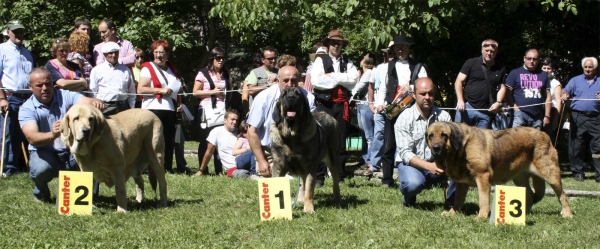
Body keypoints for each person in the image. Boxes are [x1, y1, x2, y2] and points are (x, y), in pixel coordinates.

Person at [18, 68, 105, 202]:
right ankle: (41, 193)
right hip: (44, 151)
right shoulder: (26, 109)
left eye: (48, 84)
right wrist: (53, 134)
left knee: (92, 155)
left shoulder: (65, 95)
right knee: (40, 169)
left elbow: (84, 100)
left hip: (71, 150)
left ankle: (90, 196)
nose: (45, 88)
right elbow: (32, 137)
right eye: (39, 85)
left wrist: (94, 102)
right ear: (30, 87)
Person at [374, 34, 427, 188]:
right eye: (397, 48)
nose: (400, 51)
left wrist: (410, 88)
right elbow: (383, 88)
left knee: (414, 143)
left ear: (409, 49)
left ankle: (418, 175)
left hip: (411, 110)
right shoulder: (387, 67)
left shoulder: (419, 67)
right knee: (389, 144)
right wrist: (379, 104)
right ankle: (387, 179)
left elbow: (425, 84)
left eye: (403, 48)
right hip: (393, 109)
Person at [395, 77, 454, 207]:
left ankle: (452, 203)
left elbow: (451, 147)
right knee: (413, 184)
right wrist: (430, 167)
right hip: (411, 165)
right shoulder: (404, 118)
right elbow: (405, 153)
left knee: (458, 166)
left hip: (438, 163)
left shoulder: (444, 117)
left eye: (431, 93)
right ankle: (409, 198)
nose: (427, 97)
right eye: (423, 94)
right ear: (414, 95)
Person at [247, 66, 315, 177]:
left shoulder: (309, 98)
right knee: (273, 184)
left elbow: (312, 129)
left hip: (300, 152)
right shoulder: (263, 97)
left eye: (293, 80)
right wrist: (261, 161)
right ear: (278, 81)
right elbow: (251, 132)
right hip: (271, 152)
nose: (290, 84)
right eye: (285, 80)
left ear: (299, 81)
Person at [310, 29, 359, 185]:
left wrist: (333, 77)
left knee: (341, 140)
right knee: (321, 139)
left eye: (339, 43)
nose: (336, 46)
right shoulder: (320, 61)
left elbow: (353, 81)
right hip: (325, 104)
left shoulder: (348, 62)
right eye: (333, 43)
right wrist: (342, 79)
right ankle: (319, 177)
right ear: (328, 44)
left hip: (342, 105)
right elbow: (317, 82)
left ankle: (339, 175)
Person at [137, 39, 190, 174]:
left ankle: (166, 167)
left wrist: (178, 95)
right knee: (152, 140)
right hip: (152, 108)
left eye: (161, 52)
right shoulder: (147, 67)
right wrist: (160, 91)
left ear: (167, 54)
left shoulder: (171, 68)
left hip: (169, 108)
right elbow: (141, 89)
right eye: (156, 52)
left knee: (168, 139)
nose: (158, 55)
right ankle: (148, 168)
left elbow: (173, 88)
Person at [0, 20, 34, 177]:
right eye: (15, 31)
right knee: (7, 133)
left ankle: (17, 166)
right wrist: (1, 98)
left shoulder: (27, 53)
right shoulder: (2, 50)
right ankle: (6, 168)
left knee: (22, 133)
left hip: (27, 97)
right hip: (10, 96)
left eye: (21, 30)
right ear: (8, 32)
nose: (19, 33)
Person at [193, 47, 231, 176]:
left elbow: (229, 92)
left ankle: (219, 170)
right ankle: (203, 170)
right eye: (218, 58)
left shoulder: (225, 74)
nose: (221, 61)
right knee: (205, 140)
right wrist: (212, 92)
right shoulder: (203, 73)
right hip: (206, 111)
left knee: (219, 140)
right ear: (212, 59)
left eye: (223, 58)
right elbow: (195, 92)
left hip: (221, 111)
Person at [561, 57, 600, 182]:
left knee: (597, 147)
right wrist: (564, 95)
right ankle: (578, 172)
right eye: (586, 67)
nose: (588, 69)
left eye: (590, 67)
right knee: (576, 146)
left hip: (596, 118)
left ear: (595, 68)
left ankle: (598, 174)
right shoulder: (575, 80)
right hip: (577, 117)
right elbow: (565, 91)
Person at [454, 39, 507, 129]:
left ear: (496, 52)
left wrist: (498, 102)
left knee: (481, 142)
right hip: (467, 108)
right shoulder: (471, 63)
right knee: (459, 138)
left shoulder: (500, 68)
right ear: (482, 50)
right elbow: (459, 81)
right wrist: (460, 100)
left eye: (492, 51)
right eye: (487, 51)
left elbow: (502, 87)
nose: (489, 53)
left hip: (486, 111)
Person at [505, 48, 551, 130]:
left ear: (538, 60)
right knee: (516, 142)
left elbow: (548, 96)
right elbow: (507, 93)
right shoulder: (515, 73)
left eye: (534, 59)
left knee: (534, 142)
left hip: (537, 117)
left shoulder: (543, 75)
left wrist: (547, 115)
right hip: (520, 115)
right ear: (524, 58)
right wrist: (515, 109)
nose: (531, 61)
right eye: (529, 58)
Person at [366, 43, 395, 174]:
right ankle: (374, 164)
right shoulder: (379, 69)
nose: (390, 56)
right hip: (380, 108)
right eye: (389, 53)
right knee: (378, 135)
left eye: (392, 53)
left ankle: (395, 165)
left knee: (395, 137)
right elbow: (372, 86)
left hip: (395, 108)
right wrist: (372, 104)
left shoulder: (401, 68)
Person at [89, 41, 136, 116]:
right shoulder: (97, 70)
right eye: (111, 53)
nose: (114, 55)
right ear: (104, 54)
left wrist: (131, 107)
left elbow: (132, 92)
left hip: (123, 107)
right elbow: (93, 91)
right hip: (105, 107)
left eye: (116, 52)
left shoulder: (125, 70)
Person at [350, 52, 376, 175]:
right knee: (362, 134)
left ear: (365, 62)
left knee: (369, 135)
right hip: (360, 105)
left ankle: (370, 160)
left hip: (366, 105)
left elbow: (358, 87)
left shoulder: (370, 73)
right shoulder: (365, 74)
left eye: (362, 59)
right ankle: (365, 158)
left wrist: (349, 95)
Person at [194, 109, 239, 177]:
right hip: (233, 168)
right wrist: (201, 170)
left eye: (236, 120)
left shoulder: (240, 133)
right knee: (243, 174)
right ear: (225, 120)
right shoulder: (217, 132)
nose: (235, 122)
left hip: (245, 162)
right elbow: (209, 152)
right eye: (232, 119)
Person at [541, 57, 563, 143]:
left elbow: (558, 101)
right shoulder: (537, 80)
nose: (546, 70)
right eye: (544, 68)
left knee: (548, 139)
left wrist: (555, 119)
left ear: (552, 69)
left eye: (549, 68)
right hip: (538, 112)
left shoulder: (555, 83)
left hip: (551, 112)